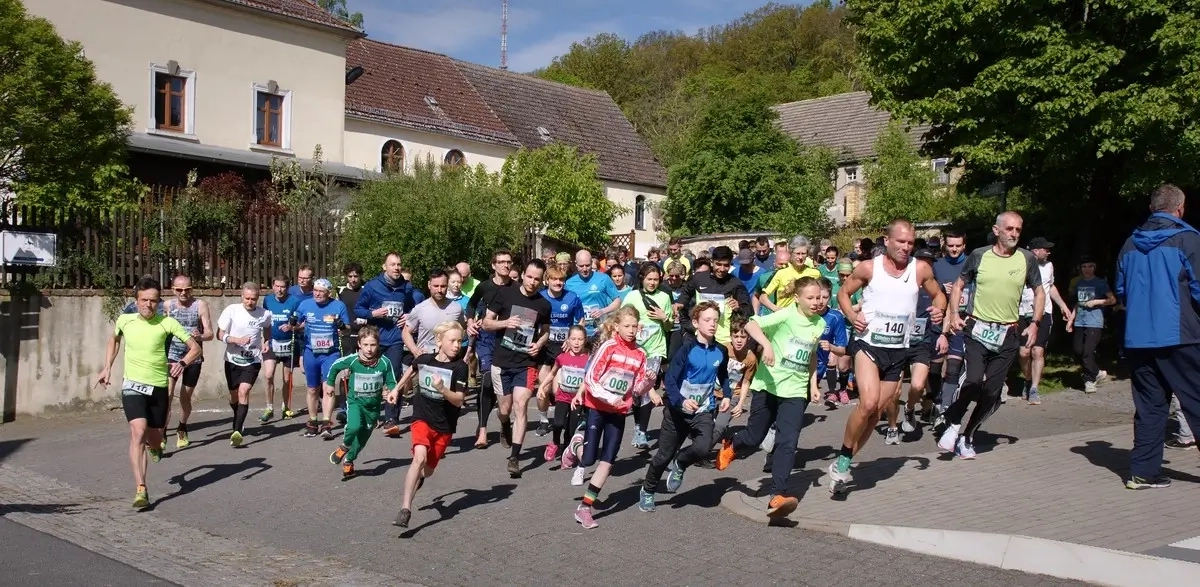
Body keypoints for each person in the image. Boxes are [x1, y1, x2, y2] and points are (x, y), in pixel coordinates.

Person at [829, 220, 946, 491]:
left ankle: (843, 462)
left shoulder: (920, 269)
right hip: (868, 345)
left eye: (910, 243)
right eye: (900, 242)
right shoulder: (869, 267)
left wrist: (939, 310)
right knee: (868, 404)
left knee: (875, 414)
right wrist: (852, 316)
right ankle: (844, 459)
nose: (906, 247)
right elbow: (843, 293)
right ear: (887, 241)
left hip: (898, 351)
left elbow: (939, 295)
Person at [715, 276, 824, 520]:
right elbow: (752, 324)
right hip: (768, 386)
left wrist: (813, 384)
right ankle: (733, 444)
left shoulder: (820, 323)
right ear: (797, 298)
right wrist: (767, 345)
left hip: (795, 391)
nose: (816, 302)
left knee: (788, 442)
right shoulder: (786, 315)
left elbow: (812, 355)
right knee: (755, 437)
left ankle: (777, 496)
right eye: (810, 298)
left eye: (819, 297)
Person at [937, 212, 1043, 459]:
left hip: (1008, 333)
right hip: (977, 329)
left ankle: (967, 436)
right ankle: (953, 421)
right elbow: (959, 285)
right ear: (997, 230)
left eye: (1018, 229)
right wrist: (954, 314)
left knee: (992, 393)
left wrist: (1035, 324)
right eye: (1009, 229)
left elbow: (1039, 291)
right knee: (973, 380)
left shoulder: (1026, 258)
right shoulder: (979, 255)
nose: (1014, 233)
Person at [1115, 184, 1200, 489]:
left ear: (1152, 208)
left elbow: (1121, 291)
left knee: (1150, 407)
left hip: (1138, 338)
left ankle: (1143, 473)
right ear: (1180, 208)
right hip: (1180, 334)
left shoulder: (1129, 244)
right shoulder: (1188, 239)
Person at [97, 277, 201, 509]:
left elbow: (195, 348)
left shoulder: (167, 323)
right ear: (136, 301)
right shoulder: (125, 320)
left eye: (153, 301)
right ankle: (141, 488)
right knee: (138, 431)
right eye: (144, 300)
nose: (148, 305)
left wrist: (182, 363)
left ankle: (156, 446)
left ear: (159, 302)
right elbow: (114, 340)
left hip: (158, 388)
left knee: (154, 438)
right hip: (132, 385)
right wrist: (107, 367)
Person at [639, 302, 729, 511]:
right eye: (707, 320)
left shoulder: (721, 350)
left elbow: (723, 375)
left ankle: (681, 463)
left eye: (715, 320)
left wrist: (727, 394)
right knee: (663, 457)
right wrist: (681, 401)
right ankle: (648, 490)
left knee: (703, 447)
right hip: (677, 412)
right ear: (696, 323)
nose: (712, 324)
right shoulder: (686, 349)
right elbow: (670, 379)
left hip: (703, 410)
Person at [570, 306, 649, 529]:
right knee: (588, 460)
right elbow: (590, 379)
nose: (631, 330)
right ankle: (576, 445)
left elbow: (637, 388)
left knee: (608, 461)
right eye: (627, 326)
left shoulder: (641, 354)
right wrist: (610, 398)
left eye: (634, 326)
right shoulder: (609, 347)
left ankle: (584, 508)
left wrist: (649, 382)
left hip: (618, 412)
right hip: (597, 407)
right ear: (616, 326)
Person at [392, 321, 470, 528]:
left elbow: (459, 400)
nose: (457, 345)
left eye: (460, 341)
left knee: (427, 470)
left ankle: (420, 478)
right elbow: (412, 369)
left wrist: (442, 389)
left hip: (444, 426)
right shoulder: (426, 359)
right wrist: (396, 389)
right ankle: (405, 509)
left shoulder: (460, 367)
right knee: (419, 458)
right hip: (422, 418)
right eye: (452, 341)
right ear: (439, 341)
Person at [483, 259, 552, 477]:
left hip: (525, 363)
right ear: (522, 275)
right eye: (529, 277)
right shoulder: (504, 294)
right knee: (504, 410)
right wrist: (505, 323)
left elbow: (546, 331)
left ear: (542, 280)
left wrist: (539, 344)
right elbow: (486, 323)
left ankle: (515, 457)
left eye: (537, 279)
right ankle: (504, 425)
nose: (532, 282)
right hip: (502, 362)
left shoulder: (543, 304)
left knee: (520, 406)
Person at [355, 252, 419, 437]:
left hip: (396, 339)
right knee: (371, 377)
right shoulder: (372, 286)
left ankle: (391, 419)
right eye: (393, 264)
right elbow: (358, 309)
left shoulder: (406, 287)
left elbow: (413, 308)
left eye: (399, 264)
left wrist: (408, 316)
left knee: (394, 375)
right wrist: (373, 314)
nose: (397, 268)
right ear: (384, 267)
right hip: (375, 339)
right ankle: (369, 414)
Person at [328, 326, 397, 479]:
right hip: (355, 402)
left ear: (378, 344)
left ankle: (349, 460)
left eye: (373, 345)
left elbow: (391, 381)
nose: (369, 349)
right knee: (353, 427)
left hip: (373, 407)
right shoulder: (353, 360)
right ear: (359, 344)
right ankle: (344, 446)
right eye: (365, 344)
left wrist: (393, 392)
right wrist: (330, 384)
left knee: (362, 439)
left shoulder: (384, 362)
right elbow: (335, 366)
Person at [622, 262, 674, 449]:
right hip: (635, 349)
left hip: (655, 350)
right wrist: (635, 325)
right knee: (637, 392)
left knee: (647, 386)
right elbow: (621, 320)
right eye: (649, 279)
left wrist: (663, 318)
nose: (652, 283)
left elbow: (669, 327)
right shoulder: (632, 296)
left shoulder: (664, 297)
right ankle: (638, 426)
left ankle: (641, 432)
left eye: (656, 279)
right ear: (642, 278)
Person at [466, 250, 515, 449]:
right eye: (501, 262)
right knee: (486, 381)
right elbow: (471, 306)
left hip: (506, 341)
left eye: (508, 262)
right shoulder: (484, 287)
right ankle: (482, 429)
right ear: (493, 265)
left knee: (501, 387)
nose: (505, 265)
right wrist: (470, 322)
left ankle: (504, 421)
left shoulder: (516, 288)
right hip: (486, 340)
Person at [1017, 237, 1073, 404]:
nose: (1048, 252)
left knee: (1037, 351)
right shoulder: (1020, 265)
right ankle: (1027, 380)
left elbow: (1051, 287)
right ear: (1035, 251)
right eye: (1045, 249)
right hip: (1022, 312)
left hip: (1044, 313)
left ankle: (1034, 388)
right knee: (1024, 352)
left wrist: (1063, 306)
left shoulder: (1048, 266)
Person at [215, 282, 273, 447]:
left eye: (253, 299)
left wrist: (266, 341)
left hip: (252, 360)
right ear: (241, 297)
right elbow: (219, 334)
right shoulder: (232, 310)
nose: (250, 302)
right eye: (247, 298)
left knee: (244, 391)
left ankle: (237, 431)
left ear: (258, 298)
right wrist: (236, 340)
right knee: (234, 395)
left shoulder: (264, 314)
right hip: (232, 359)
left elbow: (267, 328)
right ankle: (237, 416)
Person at [296, 278, 352, 439]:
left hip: (330, 354)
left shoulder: (338, 306)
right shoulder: (305, 305)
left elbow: (348, 328)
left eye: (321, 291)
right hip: (311, 353)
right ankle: (313, 422)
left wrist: (342, 325)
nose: (317, 294)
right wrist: (293, 323)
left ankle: (326, 423)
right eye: (315, 290)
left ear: (329, 293)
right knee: (312, 389)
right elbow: (296, 324)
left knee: (329, 388)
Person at [162, 275, 213, 451]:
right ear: (172, 290)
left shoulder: (200, 305)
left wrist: (200, 336)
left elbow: (210, 333)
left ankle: (182, 427)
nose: (183, 293)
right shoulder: (167, 306)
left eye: (187, 290)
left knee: (185, 397)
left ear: (192, 289)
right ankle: (162, 433)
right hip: (172, 355)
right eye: (179, 290)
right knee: (167, 395)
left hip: (193, 357)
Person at [536, 266, 585, 438]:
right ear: (547, 280)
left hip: (564, 348)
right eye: (554, 279)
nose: (558, 282)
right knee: (544, 386)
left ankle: (564, 418)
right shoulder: (539, 297)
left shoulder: (572, 298)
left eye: (561, 279)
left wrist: (572, 339)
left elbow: (581, 320)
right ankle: (543, 420)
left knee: (559, 390)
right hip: (545, 347)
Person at [676, 246, 753, 346]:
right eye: (718, 264)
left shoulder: (735, 283)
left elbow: (749, 311)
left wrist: (738, 308)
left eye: (726, 265)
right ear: (712, 262)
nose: (722, 269)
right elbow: (686, 293)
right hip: (700, 337)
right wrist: (680, 303)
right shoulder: (699, 278)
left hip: (724, 340)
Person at [540, 325, 589, 474]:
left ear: (585, 340)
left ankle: (566, 454)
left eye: (580, 339)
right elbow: (552, 373)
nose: (576, 342)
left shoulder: (588, 359)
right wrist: (542, 386)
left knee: (571, 429)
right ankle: (555, 442)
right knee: (558, 423)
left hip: (578, 400)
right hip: (562, 396)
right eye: (573, 339)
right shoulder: (562, 357)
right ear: (567, 340)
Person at [931, 230, 969, 420]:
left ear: (964, 246)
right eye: (951, 245)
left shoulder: (971, 263)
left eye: (958, 246)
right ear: (945, 245)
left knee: (954, 366)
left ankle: (946, 408)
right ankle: (936, 400)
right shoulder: (937, 265)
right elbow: (927, 289)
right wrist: (940, 289)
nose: (954, 249)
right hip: (939, 321)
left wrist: (959, 290)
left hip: (961, 321)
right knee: (934, 368)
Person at [1066, 257, 1114, 393]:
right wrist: (1071, 320)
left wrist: (1097, 302)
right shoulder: (1079, 283)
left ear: (1094, 268)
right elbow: (1079, 302)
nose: (1087, 269)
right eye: (1084, 267)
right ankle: (1097, 372)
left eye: (1090, 266)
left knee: (1087, 353)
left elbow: (1112, 299)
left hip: (1094, 321)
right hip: (1080, 321)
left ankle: (1089, 380)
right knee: (1077, 351)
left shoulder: (1100, 283)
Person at [261, 276, 302, 422]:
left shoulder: (294, 301)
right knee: (268, 375)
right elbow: (265, 321)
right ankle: (269, 408)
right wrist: (265, 340)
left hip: (289, 343)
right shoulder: (267, 300)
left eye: (282, 287)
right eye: (277, 286)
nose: (279, 290)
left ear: (287, 288)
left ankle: (285, 407)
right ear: (273, 286)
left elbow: (301, 322)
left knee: (286, 378)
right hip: (272, 343)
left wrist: (292, 326)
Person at [565, 250, 622, 339]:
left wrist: (603, 311)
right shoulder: (569, 283)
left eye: (587, 265)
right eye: (581, 266)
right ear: (576, 264)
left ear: (592, 262)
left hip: (599, 331)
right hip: (579, 333)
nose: (585, 269)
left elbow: (617, 301)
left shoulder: (603, 278)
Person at [759, 236, 822, 313]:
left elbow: (822, 294)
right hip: (785, 317)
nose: (800, 257)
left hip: (807, 317)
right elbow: (763, 298)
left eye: (803, 254)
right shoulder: (781, 272)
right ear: (791, 253)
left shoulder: (815, 273)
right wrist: (777, 310)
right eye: (797, 254)